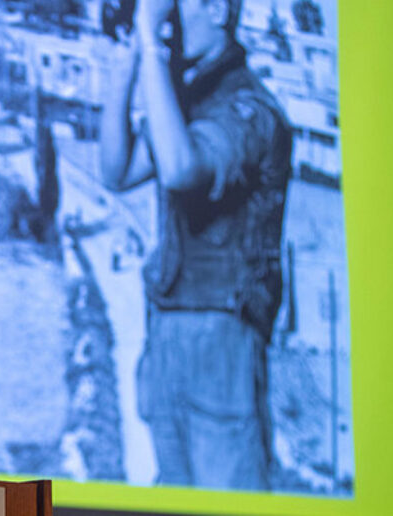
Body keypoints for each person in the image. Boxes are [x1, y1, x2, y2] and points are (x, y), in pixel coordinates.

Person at [98, 0, 292, 489]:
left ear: (219, 10)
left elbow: (183, 168)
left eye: (170, 10)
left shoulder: (250, 109)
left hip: (221, 335)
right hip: (168, 330)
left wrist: (149, 41)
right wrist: (126, 69)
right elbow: (117, 172)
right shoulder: (187, 99)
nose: (164, 23)